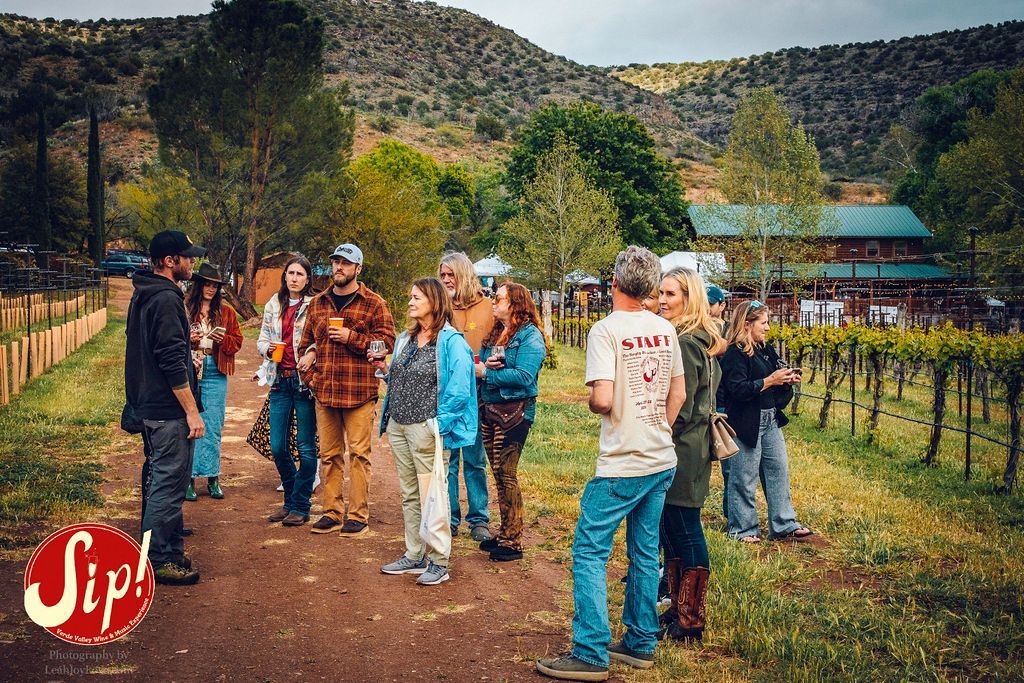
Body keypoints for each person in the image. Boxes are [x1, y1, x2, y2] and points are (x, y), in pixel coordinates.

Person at [537, 246, 687, 681]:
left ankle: (589, 650)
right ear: (651, 288)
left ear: (615, 284)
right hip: (661, 457)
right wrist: (655, 427)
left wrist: (603, 406)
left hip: (622, 462)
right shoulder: (665, 329)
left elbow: (602, 398)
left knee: (589, 550)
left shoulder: (605, 331)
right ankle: (640, 641)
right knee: (643, 551)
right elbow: (677, 394)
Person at [374, 278, 476, 586]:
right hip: (400, 425)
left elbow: (460, 389)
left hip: (427, 428)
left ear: (433, 300)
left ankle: (439, 561)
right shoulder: (406, 338)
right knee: (410, 493)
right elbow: (398, 379)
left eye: (416, 297)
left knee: (434, 494)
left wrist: (438, 425)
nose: (410, 302)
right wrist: (384, 370)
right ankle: (414, 554)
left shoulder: (452, 342)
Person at [125, 229, 207, 586]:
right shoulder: (166, 298)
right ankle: (158, 558)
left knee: (159, 477)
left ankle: (168, 548)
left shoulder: (146, 293)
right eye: (187, 256)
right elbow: (171, 360)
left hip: (148, 405)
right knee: (168, 482)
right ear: (169, 261)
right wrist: (191, 410)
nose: (192, 262)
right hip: (167, 409)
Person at [298, 243, 395, 537]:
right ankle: (331, 512)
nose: (338, 267)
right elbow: (304, 346)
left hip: (359, 391)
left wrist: (352, 337)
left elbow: (386, 342)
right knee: (328, 456)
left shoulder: (374, 303)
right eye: (335, 262)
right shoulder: (317, 304)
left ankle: (357, 515)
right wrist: (313, 379)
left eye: (345, 263)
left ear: (358, 269)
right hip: (325, 392)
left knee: (359, 456)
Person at [656, 267, 726, 642]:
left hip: (682, 446)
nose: (663, 300)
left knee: (683, 527)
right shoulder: (701, 337)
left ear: (689, 298)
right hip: (693, 444)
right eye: (661, 293)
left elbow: (680, 407)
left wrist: (658, 433)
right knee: (674, 527)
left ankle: (691, 618)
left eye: (671, 294)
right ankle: (679, 609)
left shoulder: (684, 341)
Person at [719, 300, 813, 543]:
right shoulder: (734, 353)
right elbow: (737, 389)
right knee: (744, 476)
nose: (768, 328)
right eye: (764, 322)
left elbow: (771, 377)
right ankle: (742, 529)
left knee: (778, 470)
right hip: (744, 421)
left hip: (769, 418)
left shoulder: (765, 349)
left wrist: (785, 379)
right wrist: (770, 381)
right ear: (747, 324)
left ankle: (783, 524)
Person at [475, 282, 547, 562]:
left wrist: (487, 374)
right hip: (490, 408)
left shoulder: (530, 337)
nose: (493, 301)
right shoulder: (498, 331)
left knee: (507, 472)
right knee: (497, 472)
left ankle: (513, 540)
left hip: (516, 413)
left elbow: (525, 377)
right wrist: (484, 367)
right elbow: (481, 362)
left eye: (499, 297)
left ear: (515, 303)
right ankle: (505, 531)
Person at [257, 256, 318, 526]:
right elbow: (262, 340)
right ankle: (292, 499)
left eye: (300, 274)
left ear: (307, 279)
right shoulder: (274, 303)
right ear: (285, 276)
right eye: (290, 273)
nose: (294, 278)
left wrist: (313, 353)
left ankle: (300, 506)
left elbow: (321, 339)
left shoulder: (314, 305)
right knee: (278, 447)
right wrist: (267, 349)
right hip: (279, 380)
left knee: (305, 448)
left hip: (303, 382)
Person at [439, 252, 495, 542]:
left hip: (478, 393)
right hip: (446, 393)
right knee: (447, 459)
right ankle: (448, 518)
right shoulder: (440, 307)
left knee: (474, 459)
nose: (447, 280)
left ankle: (479, 519)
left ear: (464, 274)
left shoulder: (488, 306)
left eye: (451, 275)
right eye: (443, 275)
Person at [183, 263, 243, 502]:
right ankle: (189, 479)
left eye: (215, 285)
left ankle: (212, 478)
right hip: (192, 368)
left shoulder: (226, 312)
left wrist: (221, 339)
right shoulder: (186, 308)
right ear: (199, 285)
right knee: (190, 423)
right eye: (207, 284)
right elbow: (177, 338)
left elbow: (237, 341)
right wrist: (191, 339)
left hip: (216, 369)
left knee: (214, 425)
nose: (210, 289)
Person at [706, 284, 731, 518]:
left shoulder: (729, 332)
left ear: (722, 305)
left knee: (729, 461)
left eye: (711, 303)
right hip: (706, 400)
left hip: (724, 400)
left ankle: (729, 511)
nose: (707, 307)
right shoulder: (699, 328)